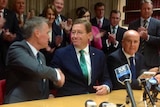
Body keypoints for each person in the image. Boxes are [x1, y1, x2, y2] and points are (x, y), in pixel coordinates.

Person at [4, 17, 65, 104]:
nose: (49, 37)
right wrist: (56, 74)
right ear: (37, 33)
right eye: (47, 33)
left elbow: (42, 81)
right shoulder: (17, 48)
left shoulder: (41, 56)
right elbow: (37, 69)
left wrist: (53, 87)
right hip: (18, 103)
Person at [50, 18, 112, 97]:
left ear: (89, 35)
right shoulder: (61, 54)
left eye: (79, 33)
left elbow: (106, 78)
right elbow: (53, 80)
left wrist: (106, 87)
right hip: (69, 99)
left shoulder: (99, 55)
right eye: (73, 32)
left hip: (92, 99)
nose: (75, 36)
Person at [128, 0, 160, 69]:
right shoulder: (132, 24)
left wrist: (147, 37)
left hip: (152, 62)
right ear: (140, 10)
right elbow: (128, 41)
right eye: (144, 9)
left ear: (152, 10)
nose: (146, 11)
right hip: (135, 60)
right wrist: (136, 35)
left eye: (148, 9)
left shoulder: (158, 24)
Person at [0, 0, 23, 80]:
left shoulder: (11, 15)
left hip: (7, 59)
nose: (4, 1)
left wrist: (12, 37)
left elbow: (20, 36)